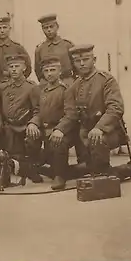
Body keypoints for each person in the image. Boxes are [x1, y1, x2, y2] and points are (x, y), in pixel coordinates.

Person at [60, 44, 131, 181]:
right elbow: (71, 113)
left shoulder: (106, 80)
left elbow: (116, 107)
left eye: (86, 59)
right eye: (77, 61)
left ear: (94, 59)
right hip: (86, 134)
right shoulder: (75, 86)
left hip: (109, 131)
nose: (81, 64)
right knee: (85, 170)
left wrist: (100, 128)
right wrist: (59, 130)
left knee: (98, 172)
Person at [28, 55, 79, 190]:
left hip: (64, 131)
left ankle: (59, 175)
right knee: (30, 137)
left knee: (58, 142)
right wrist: (33, 123)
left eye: (53, 70)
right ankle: (35, 167)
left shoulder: (66, 90)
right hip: (46, 129)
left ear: (60, 71)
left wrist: (60, 129)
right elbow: (38, 112)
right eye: (46, 71)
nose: (49, 74)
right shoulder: (42, 91)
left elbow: (71, 114)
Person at [0, 54, 43, 183]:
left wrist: (33, 124)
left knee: (32, 138)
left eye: (17, 66)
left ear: (24, 68)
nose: (14, 69)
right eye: (11, 67)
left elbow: (38, 110)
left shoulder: (31, 87)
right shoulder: (3, 88)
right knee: (9, 149)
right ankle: (16, 168)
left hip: (25, 126)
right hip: (9, 126)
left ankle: (32, 169)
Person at [0, 16, 32, 92]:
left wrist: (18, 81)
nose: (2, 31)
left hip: (16, 88)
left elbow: (28, 68)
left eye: (4, 27)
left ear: (9, 29)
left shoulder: (18, 48)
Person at [34, 14, 76, 86]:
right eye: (45, 28)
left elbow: (75, 65)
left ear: (57, 27)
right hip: (47, 84)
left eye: (51, 27)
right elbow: (38, 70)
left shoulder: (67, 45)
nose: (49, 30)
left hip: (66, 82)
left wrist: (72, 80)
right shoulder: (40, 49)